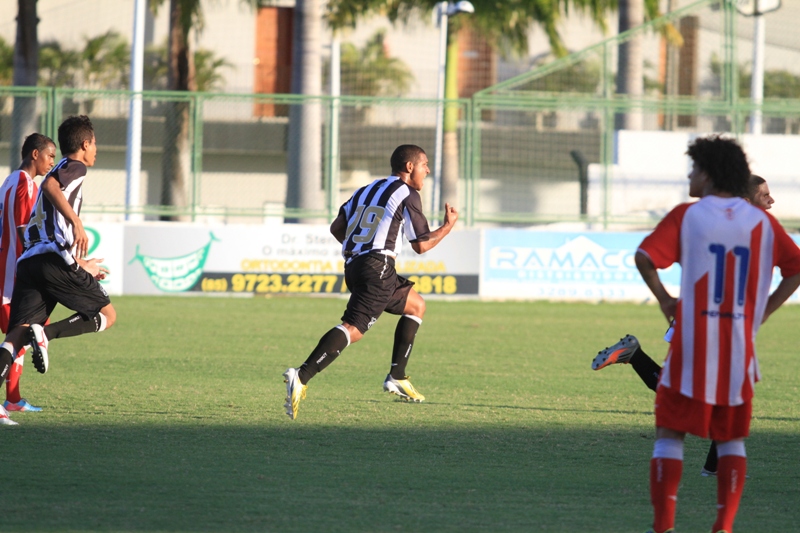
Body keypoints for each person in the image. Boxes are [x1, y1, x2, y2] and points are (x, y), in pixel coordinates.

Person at [633, 135, 800, 533]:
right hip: (738, 348)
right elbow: (796, 268)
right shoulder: (763, 222)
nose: (690, 175)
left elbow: (644, 257)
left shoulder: (688, 215)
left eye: (693, 168)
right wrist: (763, 312)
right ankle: (723, 526)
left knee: (669, 434)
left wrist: (665, 300)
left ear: (708, 173)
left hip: (692, 342)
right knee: (731, 440)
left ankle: (664, 526)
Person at [591, 173, 777, 476]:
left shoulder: (718, 223)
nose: (771, 200)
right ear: (745, 199)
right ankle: (712, 473)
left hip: (705, 315)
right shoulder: (749, 230)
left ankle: (710, 469)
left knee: (694, 391)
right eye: (764, 194)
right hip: (715, 321)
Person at [282, 144, 458, 420]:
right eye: (425, 165)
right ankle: (301, 376)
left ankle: (397, 376)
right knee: (354, 329)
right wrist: (448, 226)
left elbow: (336, 228)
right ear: (410, 167)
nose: (428, 170)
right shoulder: (407, 193)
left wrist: (361, 250)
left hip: (356, 265)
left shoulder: (365, 189)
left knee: (416, 305)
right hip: (378, 266)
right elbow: (422, 245)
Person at [0, 116, 117, 425]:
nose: (96, 150)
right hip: (54, 260)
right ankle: (47, 334)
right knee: (107, 315)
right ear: (84, 144)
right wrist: (78, 224)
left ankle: (9, 388)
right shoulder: (75, 167)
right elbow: (52, 187)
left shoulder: (43, 172)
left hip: (30, 262)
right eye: (94, 144)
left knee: (16, 334)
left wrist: (82, 263)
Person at [0, 134, 57, 422]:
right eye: (49, 156)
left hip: (7, 269)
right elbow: (24, 230)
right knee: (20, 333)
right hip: (11, 275)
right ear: (35, 154)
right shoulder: (24, 183)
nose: (52, 163)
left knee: (20, 334)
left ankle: (12, 399)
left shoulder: (9, 179)